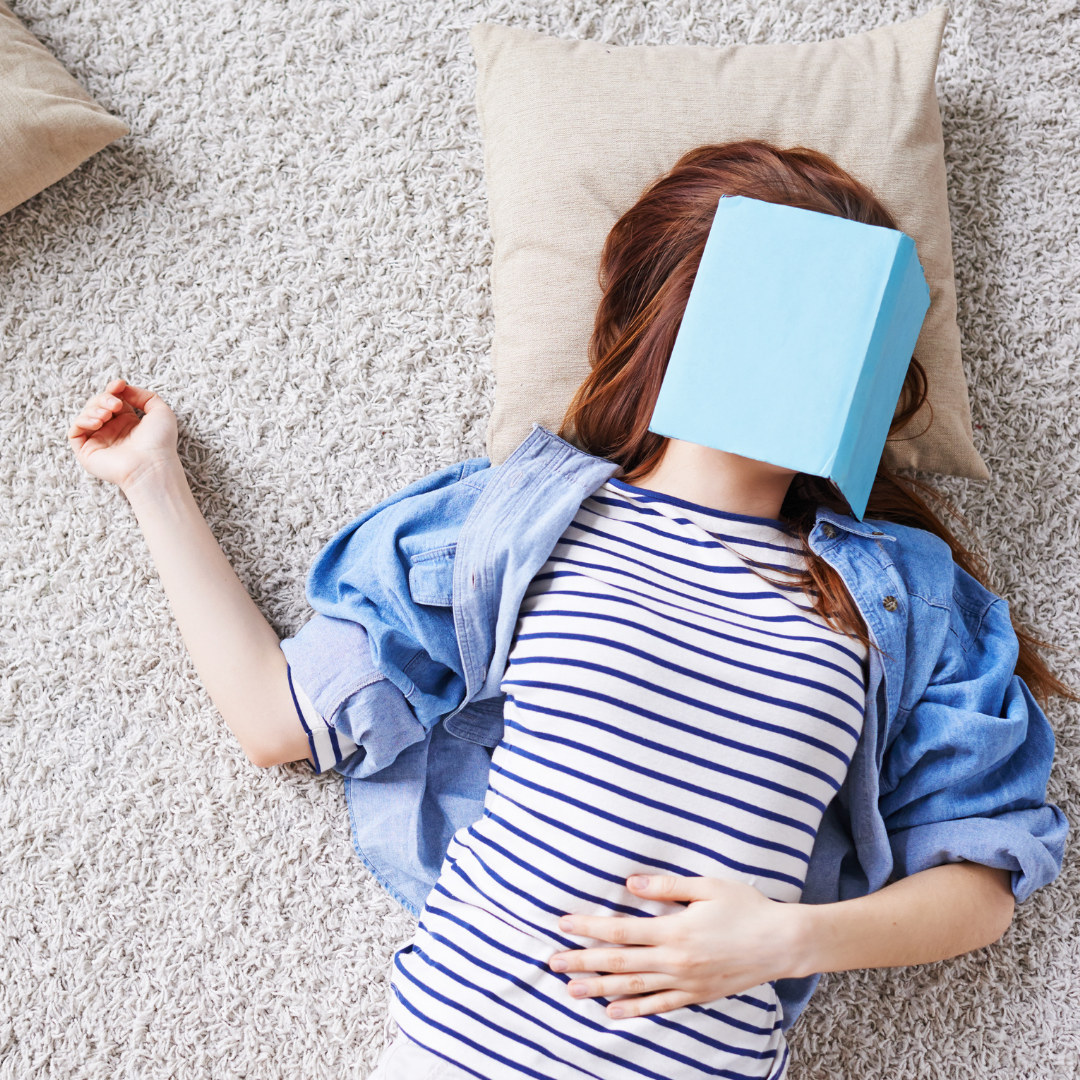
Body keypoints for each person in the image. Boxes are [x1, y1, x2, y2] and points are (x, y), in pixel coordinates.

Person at [68, 142, 1069, 1080]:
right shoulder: (522, 520)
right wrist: (151, 479)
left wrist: (788, 935)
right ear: (678, 313)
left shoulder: (906, 596)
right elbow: (275, 719)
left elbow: (980, 886)